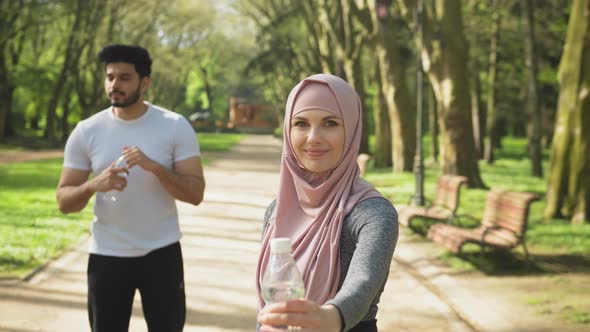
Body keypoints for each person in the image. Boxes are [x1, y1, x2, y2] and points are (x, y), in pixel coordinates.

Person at [56, 44, 205, 332]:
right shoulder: (87, 130)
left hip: (162, 253)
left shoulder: (175, 126)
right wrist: (93, 185)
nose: (114, 85)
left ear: (144, 82)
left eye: (124, 77)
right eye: (110, 77)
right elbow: (64, 201)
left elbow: (196, 194)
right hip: (107, 255)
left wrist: (156, 169)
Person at [256, 73, 398, 332]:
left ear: (352, 129)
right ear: (288, 130)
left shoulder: (373, 213)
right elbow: (272, 298)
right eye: (300, 123)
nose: (313, 138)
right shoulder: (275, 211)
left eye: (330, 123)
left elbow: (363, 283)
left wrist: (328, 318)